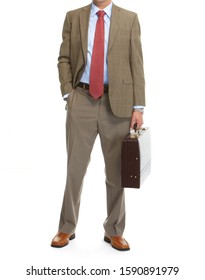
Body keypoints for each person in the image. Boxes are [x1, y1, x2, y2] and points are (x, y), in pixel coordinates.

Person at [51, 0, 145, 251]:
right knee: (75, 169)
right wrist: (68, 93)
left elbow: (137, 64)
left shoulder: (130, 18)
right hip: (81, 99)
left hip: (119, 104)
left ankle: (114, 230)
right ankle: (66, 227)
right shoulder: (74, 17)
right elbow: (64, 58)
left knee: (116, 172)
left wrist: (139, 107)